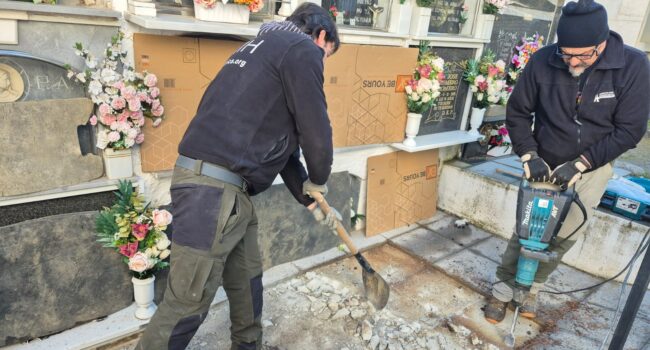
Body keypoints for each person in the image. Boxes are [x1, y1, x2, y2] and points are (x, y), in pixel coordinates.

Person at [136, 4, 341, 349]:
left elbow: (285, 147)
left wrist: (309, 197)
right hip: (213, 193)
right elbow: (315, 132)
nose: (321, 63)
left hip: (228, 195)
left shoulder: (260, 48)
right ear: (321, 36)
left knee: (247, 281)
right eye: (326, 55)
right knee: (186, 304)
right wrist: (320, 179)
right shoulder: (302, 50)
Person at [484, 0, 650, 324]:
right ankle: (503, 291)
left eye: (583, 55)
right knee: (528, 231)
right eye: (567, 53)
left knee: (564, 236)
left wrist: (583, 163)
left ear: (602, 44)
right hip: (545, 162)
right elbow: (518, 112)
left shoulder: (633, 66)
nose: (573, 61)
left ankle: (533, 288)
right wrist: (529, 154)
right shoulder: (544, 61)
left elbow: (630, 130)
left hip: (592, 167)